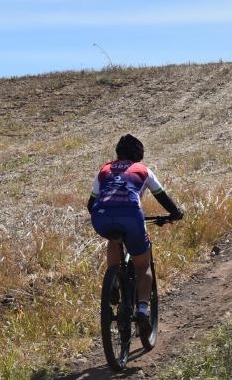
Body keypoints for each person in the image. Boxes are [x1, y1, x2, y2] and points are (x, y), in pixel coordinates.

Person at [88, 134, 184, 336]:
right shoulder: (143, 170)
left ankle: (114, 280)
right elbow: (162, 197)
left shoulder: (104, 170)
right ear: (139, 155)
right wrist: (175, 214)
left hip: (101, 217)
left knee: (114, 238)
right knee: (143, 266)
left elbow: (90, 204)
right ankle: (142, 310)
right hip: (131, 215)